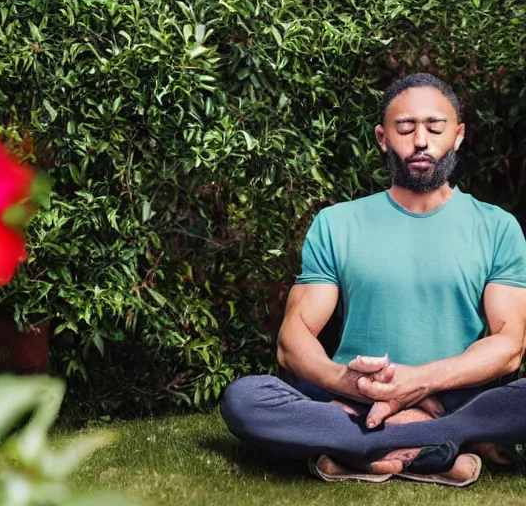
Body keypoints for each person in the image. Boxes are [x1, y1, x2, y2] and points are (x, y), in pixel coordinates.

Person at [219, 73, 526, 487]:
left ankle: (360, 446)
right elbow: (293, 341)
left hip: (452, 395)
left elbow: (509, 347)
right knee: (244, 399)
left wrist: (420, 383)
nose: (421, 140)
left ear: (457, 136)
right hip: (352, 395)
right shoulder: (337, 223)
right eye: (405, 127)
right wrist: (359, 387)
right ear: (383, 138)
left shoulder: (497, 227)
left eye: (435, 128)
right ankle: (438, 445)